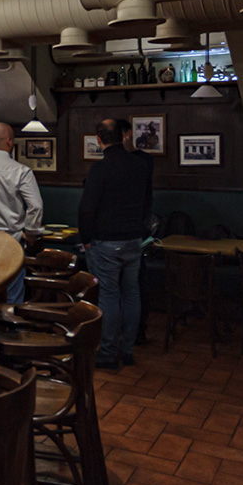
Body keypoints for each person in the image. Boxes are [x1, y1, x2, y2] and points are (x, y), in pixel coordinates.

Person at [77, 117, 154, 370]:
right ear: (123, 136)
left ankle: (109, 353)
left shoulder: (100, 169)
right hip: (134, 239)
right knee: (132, 294)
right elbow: (147, 203)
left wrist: (85, 239)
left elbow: (87, 209)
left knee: (108, 296)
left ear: (98, 140)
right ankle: (128, 350)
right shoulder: (140, 165)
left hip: (106, 241)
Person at [0, 122, 44, 304]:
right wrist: (31, 232)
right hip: (10, 242)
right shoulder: (20, 171)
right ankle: (10, 323)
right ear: (9, 142)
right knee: (12, 298)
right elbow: (36, 206)